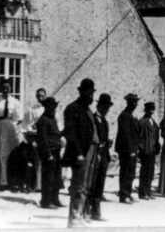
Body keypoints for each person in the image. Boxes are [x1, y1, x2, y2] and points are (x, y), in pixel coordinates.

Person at [62, 78, 99, 228]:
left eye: (92, 93)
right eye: (88, 93)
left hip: (91, 150)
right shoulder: (73, 108)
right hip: (81, 152)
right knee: (78, 185)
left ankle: (81, 214)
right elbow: (71, 133)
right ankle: (74, 218)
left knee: (86, 185)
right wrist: (78, 153)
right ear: (81, 92)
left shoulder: (87, 110)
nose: (91, 97)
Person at [0, 80, 22, 190]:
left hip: (10, 128)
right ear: (1, 88)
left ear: (11, 89)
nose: (6, 89)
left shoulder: (15, 102)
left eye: (8, 87)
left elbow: (18, 118)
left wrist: (14, 127)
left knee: (11, 154)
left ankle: (12, 182)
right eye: (4, 87)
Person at [86, 93, 113, 220]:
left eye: (108, 107)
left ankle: (96, 212)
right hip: (94, 155)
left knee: (100, 183)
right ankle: (86, 210)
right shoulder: (93, 119)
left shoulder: (105, 121)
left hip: (103, 156)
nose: (107, 110)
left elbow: (104, 138)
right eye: (106, 107)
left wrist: (108, 143)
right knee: (91, 183)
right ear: (100, 106)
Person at [36, 97, 64, 209]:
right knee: (48, 177)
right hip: (49, 152)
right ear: (46, 107)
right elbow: (42, 139)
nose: (53, 109)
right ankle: (46, 201)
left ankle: (55, 199)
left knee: (57, 176)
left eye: (54, 107)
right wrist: (48, 154)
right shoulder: (43, 120)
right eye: (51, 107)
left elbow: (56, 134)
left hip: (56, 151)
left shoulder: (53, 119)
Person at [115, 93, 140, 204]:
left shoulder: (131, 116)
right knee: (125, 172)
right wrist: (131, 150)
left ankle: (128, 193)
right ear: (128, 103)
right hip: (126, 150)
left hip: (132, 149)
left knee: (131, 172)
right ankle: (123, 195)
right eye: (133, 102)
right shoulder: (124, 116)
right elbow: (126, 135)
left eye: (136, 102)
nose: (135, 104)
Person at [137, 101, 160, 200]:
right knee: (144, 172)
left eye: (152, 109)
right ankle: (143, 192)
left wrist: (157, 146)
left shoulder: (153, 122)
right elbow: (139, 137)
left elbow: (156, 135)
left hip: (152, 150)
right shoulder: (142, 122)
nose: (151, 111)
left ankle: (148, 190)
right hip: (145, 150)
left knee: (151, 171)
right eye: (149, 109)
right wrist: (141, 148)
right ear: (146, 110)